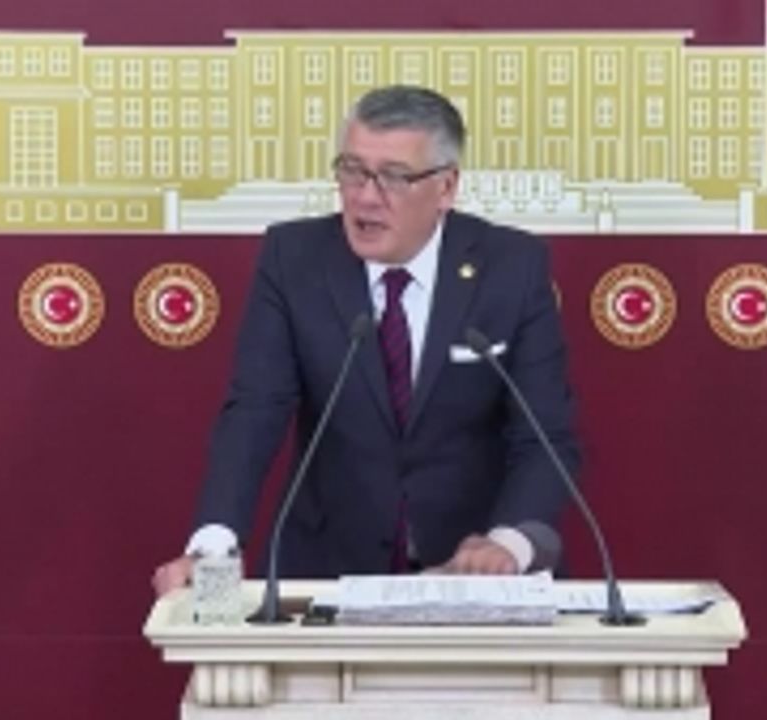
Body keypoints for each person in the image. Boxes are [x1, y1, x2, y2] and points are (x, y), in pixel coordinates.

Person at [152, 85, 579, 596]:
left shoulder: (511, 267)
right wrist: (214, 544)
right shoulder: (294, 258)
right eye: (352, 170)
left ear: (446, 187)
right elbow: (254, 412)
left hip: (475, 576)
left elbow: (544, 436)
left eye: (394, 177)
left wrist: (507, 544)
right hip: (328, 573)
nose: (365, 197)